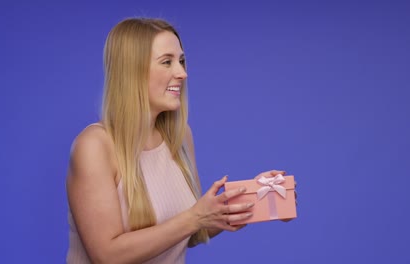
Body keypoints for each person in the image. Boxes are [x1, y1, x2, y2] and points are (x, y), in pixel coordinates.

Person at [66, 17, 290, 263]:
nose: (182, 73)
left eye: (182, 61)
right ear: (131, 70)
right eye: (167, 62)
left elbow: (192, 233)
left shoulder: (180, 137)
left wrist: (254, 199)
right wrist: (195, 217)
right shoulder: (95, 146)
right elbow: (106, 256)